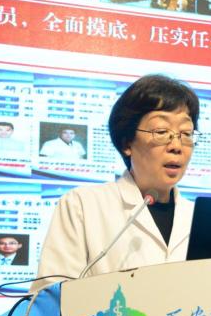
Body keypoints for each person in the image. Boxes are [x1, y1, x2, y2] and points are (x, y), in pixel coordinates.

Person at [31, 75, 200, 291]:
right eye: (161, 132)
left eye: (186, 134)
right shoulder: (83, 205)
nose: (176, 146)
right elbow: (51, 296)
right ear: (127, 142)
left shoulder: (199, 219)